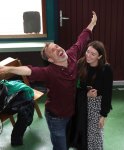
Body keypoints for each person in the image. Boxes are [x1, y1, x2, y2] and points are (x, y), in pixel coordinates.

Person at [0, 11, 97, 150]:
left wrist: (92, 23)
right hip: (56, 117)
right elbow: (29, 70)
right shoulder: (48, 72)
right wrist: (9, 69)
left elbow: (81, 40)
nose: (58, 48)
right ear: (51, 60)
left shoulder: (71, 55)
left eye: (57, 46)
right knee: (60, 147)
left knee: (69, 142)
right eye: (53, 50)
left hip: (72, 112)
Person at [69, 41, 113, 150]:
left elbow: (108, 94)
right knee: (80, 131)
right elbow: (75, 86)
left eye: (93, 54)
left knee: (94, 135)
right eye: (87, 51)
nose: (88, 55)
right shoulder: (80, 64)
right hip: (80, 103)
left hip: (96, 105)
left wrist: (103, 115)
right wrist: (85, 94)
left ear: (100, 56)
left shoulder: (106, 69)